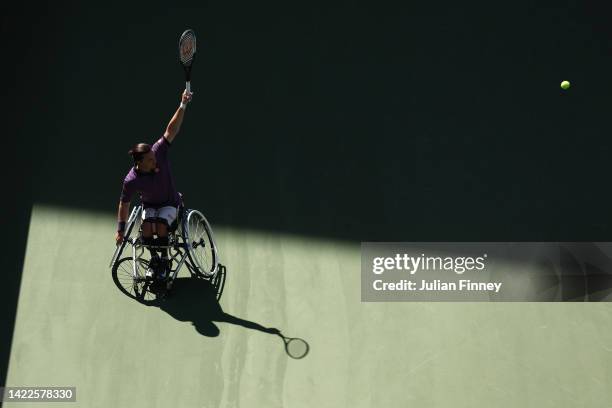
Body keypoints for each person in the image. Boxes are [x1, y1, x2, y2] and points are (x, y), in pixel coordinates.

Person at [115, 89, 193, 279]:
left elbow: (170, 130)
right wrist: (120, 230)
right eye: (149, 160)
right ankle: (154, 260)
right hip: (150, 206)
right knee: (148, 227)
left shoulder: (158, 152)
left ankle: (165, 260)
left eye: (153, 157)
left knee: (160, 225)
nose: (154, 160)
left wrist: (183, 104)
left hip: (171, 203)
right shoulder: (131, 180)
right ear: (139, 163)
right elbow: (124, 204)